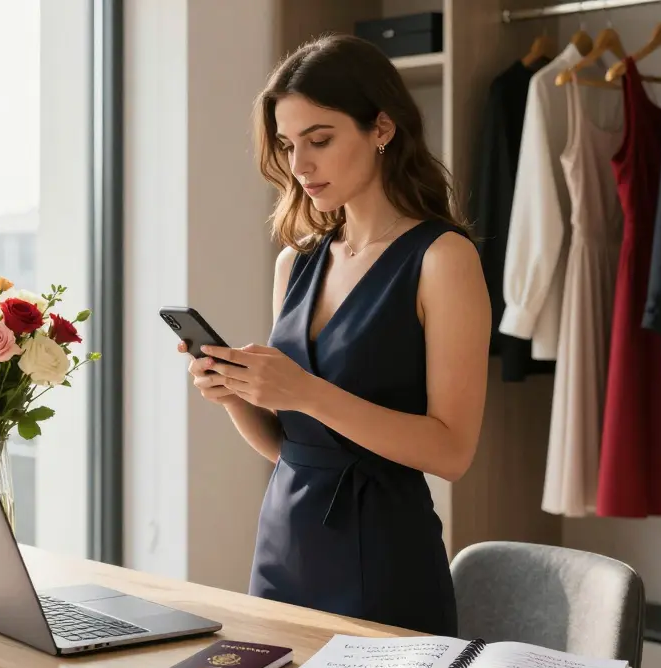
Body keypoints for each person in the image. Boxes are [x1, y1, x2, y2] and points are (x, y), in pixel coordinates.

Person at [178, 33, 490, 636]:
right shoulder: (295, 262)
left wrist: (301, 391)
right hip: (282, 550)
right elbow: (294, 449)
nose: (299, 166)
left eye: (319, 140)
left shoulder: (441, 259)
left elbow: (452, 453)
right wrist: (238, 392)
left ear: (382, 128)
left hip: (384, 560)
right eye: (288, 145)